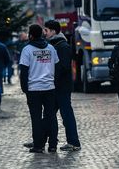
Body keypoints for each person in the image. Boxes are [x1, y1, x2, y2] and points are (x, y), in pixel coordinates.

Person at [19, 24, 59, 154]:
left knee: (36, 118)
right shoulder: (51, 48)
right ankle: (53, 145)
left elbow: (24, 71)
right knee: (51, 116)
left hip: (33, 88)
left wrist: (25, 88)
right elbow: (56, 66)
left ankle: (38, 145)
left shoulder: (27, 50)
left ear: (31, 35)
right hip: (49, 88)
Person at [43, 20, 80, 151]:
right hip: (56, 85)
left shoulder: (62, 46)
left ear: (53, 31)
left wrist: (52, 78)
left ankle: (74, 142)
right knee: (48, 114)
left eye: (46, 30)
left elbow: (63, 67)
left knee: (66, 114)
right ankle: (41, 140)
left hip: (61, 87)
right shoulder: (54, 45)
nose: (44, 33)